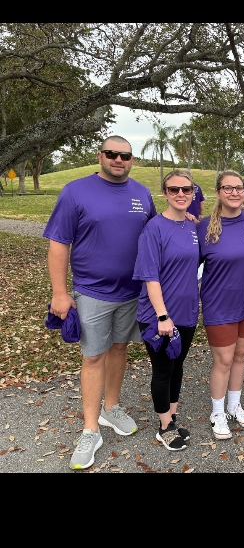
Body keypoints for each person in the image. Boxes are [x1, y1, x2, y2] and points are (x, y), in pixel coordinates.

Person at [43, 135, 157, 470]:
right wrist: (59, 292)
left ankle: (111, 408)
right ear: (100, 156)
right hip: (92, 292)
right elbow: (59, 244)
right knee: (93, 357)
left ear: (132, 160)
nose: (118, 160)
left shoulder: (141, 193)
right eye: (111, 153)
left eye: (125, 155)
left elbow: (155, 234)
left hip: (131, 291)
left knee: (119, 348)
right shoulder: (75, 192)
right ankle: (90, 429)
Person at [133, 169, 200, 450]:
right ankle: (164, 427)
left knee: (177, 366)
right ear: (165, 193)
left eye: (186, 189)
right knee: (163, 370)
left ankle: (172, 417)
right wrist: (162, 316)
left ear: (193, 193)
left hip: (187, 312)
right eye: (174, 189)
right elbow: (150, 277)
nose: (181, 194)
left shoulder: (193, 227)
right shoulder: (154, 229)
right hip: (159, 315)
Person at [198, 170, 244, 440]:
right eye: (228, 188)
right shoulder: (204, 226)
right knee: (223, 360)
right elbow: (188, 263)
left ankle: (234, 406)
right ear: (218, 192)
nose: (234, 192)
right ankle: (217, 412)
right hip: (219, 303)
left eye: (239, 188)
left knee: (239, 356)